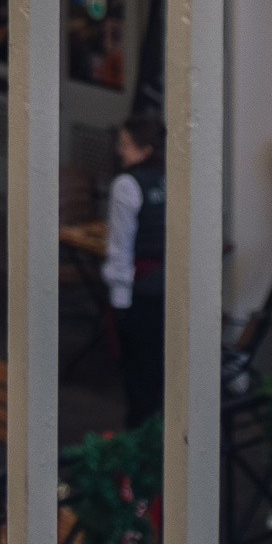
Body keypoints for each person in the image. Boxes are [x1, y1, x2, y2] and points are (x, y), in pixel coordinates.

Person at [105, 112, 167, 426]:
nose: (120, 151)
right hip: (170, 285)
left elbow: (121, 246)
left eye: (127, 145)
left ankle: (141, 443)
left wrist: (119, 304)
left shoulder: (126, 185)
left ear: (145, 150)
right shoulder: (171, 176)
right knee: (163, 368)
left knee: (139, 373)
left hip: (140, 289)